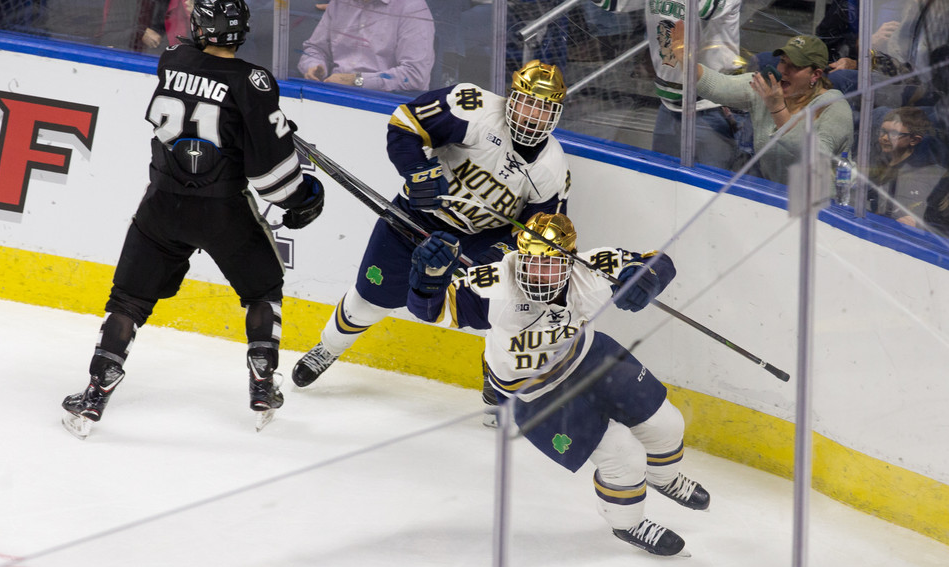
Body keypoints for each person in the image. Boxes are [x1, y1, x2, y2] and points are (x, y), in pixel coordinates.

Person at [61, 0, 325, 439]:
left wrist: (260, 117)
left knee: (127, 301)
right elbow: (271, 175)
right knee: (264, 291)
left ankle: (95, 393)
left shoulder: (171, 61)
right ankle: (262, 385)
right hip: (223, 212)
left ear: (202, 28)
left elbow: (198, 82)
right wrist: (302, 198)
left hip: (162, 206)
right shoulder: (254, 82)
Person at [404, 212, 710, 556]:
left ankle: (665, 479)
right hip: (533, 391)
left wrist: (646, 279)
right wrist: (426, 278)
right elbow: (429, 309)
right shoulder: (495, 284)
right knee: (623, 456)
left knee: (668, 425)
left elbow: (659, 261)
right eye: (530, 263)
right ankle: (628, 523)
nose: (537, 273)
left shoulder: (591, 269)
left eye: (548, 265)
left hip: (589, 356)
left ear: (568, 261)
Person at [290, 60, 572, 392]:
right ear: (512, 97)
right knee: (368, 300)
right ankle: (328, 348)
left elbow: (539, 232)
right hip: (416, 217)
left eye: (543, 109)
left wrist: (503, 251)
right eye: (526, 102)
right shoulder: (474, 107)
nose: (531, 115)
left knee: (507, 311)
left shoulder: (553, 170)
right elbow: (405, 123)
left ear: (555, 115)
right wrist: (417, 170)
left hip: (478, 241)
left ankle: (498, 377)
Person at [590, 0, 749, 172]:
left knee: (712, 188)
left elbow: (705, 8)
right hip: (669, 106)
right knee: (660, 180)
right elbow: (612, 3)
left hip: (714, 107)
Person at [691, 34, 854, 186]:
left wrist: (777, 108)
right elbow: (718, 86)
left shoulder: (834, 106)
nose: (783, 70)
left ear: (815, 75)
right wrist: (684, 57)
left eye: (794, 66)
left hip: (826, 204)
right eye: (783, 61)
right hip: (776, 193)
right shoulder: (768, 88)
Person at [297, 0, 435, 93]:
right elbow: (315, 49)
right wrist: (314, 66)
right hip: (333, 92)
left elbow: (415, 75)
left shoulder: (411, 6)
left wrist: (356, 80)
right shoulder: (340, 3)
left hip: (385, 104)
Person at [867, 107, 948, 226]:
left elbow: (936, 221)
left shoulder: (924, 175)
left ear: (914, 140)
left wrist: (918, 223)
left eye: (894, 134)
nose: (884, 138)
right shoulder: (879, 161)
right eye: (883, 131)